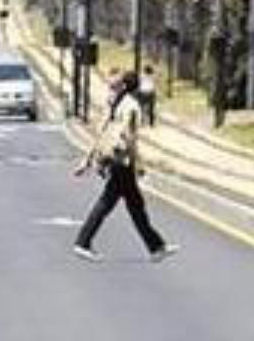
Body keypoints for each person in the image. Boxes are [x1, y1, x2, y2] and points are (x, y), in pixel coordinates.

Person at [72, 70, 176, 262]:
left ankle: (156, 247)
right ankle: (83, 241)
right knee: (108, 203)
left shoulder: (115, 104)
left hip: (115, 160)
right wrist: (139, 164)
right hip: (123, 161)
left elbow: (101, 133)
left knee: (135, 206)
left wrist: (87, 160)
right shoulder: (131, 106)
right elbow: (129, 137)